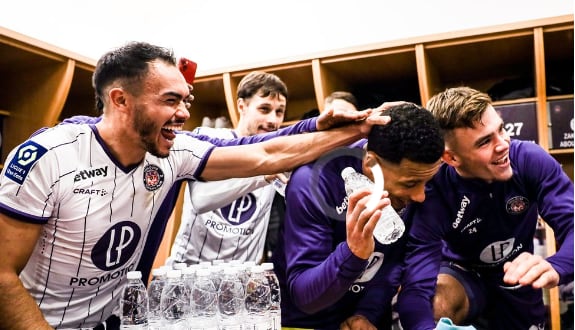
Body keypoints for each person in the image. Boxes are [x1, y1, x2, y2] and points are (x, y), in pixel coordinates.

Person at [0, 41, 392, 329]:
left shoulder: (174, 151)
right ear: (121, 99)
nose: (184, 113)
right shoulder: (46, 157)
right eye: (171, 100)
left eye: (186, 100)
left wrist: (343, 128)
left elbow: (264, 154)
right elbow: (3, 273)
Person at [397, 86, 574, 329]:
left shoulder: (529, 159)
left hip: (516, 276)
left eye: (501, 129)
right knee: (435, 304)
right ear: (451, 158)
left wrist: (559, 265)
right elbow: (418, 284)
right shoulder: (433, 190)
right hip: (461, 275)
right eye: (485, 142)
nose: (503, 145)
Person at [272, 102, 445, 329]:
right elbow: (305, 296)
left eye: (426, 182)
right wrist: (353, 253)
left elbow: (393, 262)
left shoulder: (412, 174)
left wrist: (368, 313)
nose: (420, 195)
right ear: (371, 163)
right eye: (411, 183)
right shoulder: (313, 182)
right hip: (307, 321)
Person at [166, 71, 289, 265]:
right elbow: (201, 200)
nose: (273, 120)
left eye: (279, 111)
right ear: (242, 106)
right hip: (190, 274)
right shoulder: (206, 138)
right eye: (264, 109)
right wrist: (262, 174)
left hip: (242, 282)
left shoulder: (278, 154)